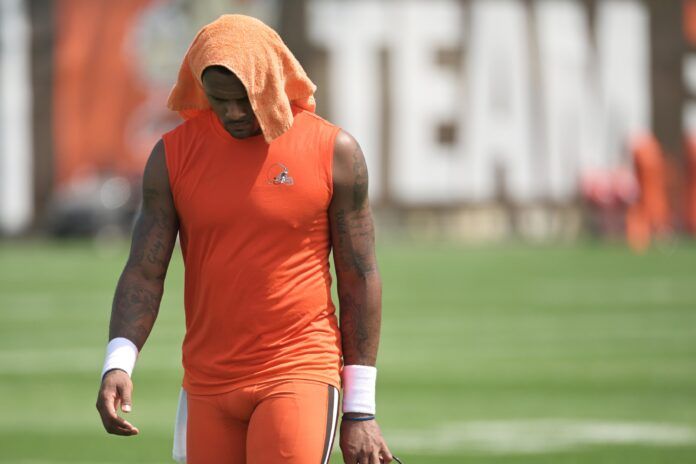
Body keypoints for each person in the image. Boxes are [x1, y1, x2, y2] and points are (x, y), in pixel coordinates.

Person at [95, 14, 394, 464]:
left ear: (271, 84)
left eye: (244, 100)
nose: (233, 113)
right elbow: (145, 269)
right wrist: (119, 360)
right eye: (220, 101)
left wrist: (361, 408)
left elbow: (359, 275)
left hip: (299, 370)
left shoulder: (334, 151)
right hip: (207, 381)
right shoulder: (173, 155)